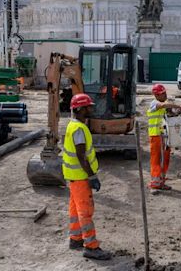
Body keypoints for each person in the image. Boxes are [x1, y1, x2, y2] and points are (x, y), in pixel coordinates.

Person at [62, 93, 112, 260]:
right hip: (81, 176)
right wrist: (92, 176)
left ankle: (75, 239)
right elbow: (81, 156)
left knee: (75, 209)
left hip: (74, 177)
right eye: (89, 106)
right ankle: (90, 246)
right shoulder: (79, 129)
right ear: (81, 109)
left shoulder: (73, 125)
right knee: (85, 211)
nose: (91, 108)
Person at [146, 84, 181, 192]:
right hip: (156, 136)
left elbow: (169, 114)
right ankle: (155, 183)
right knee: (156, 160)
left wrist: (179, 111)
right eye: (163, 94)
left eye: (165, 93)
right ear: (156, 95)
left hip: (164, 136)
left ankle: (161, 181)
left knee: (165, 159)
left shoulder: (163, 105)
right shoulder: (154, 103)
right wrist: (177, 106)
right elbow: (162, 106)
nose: (165, 95)